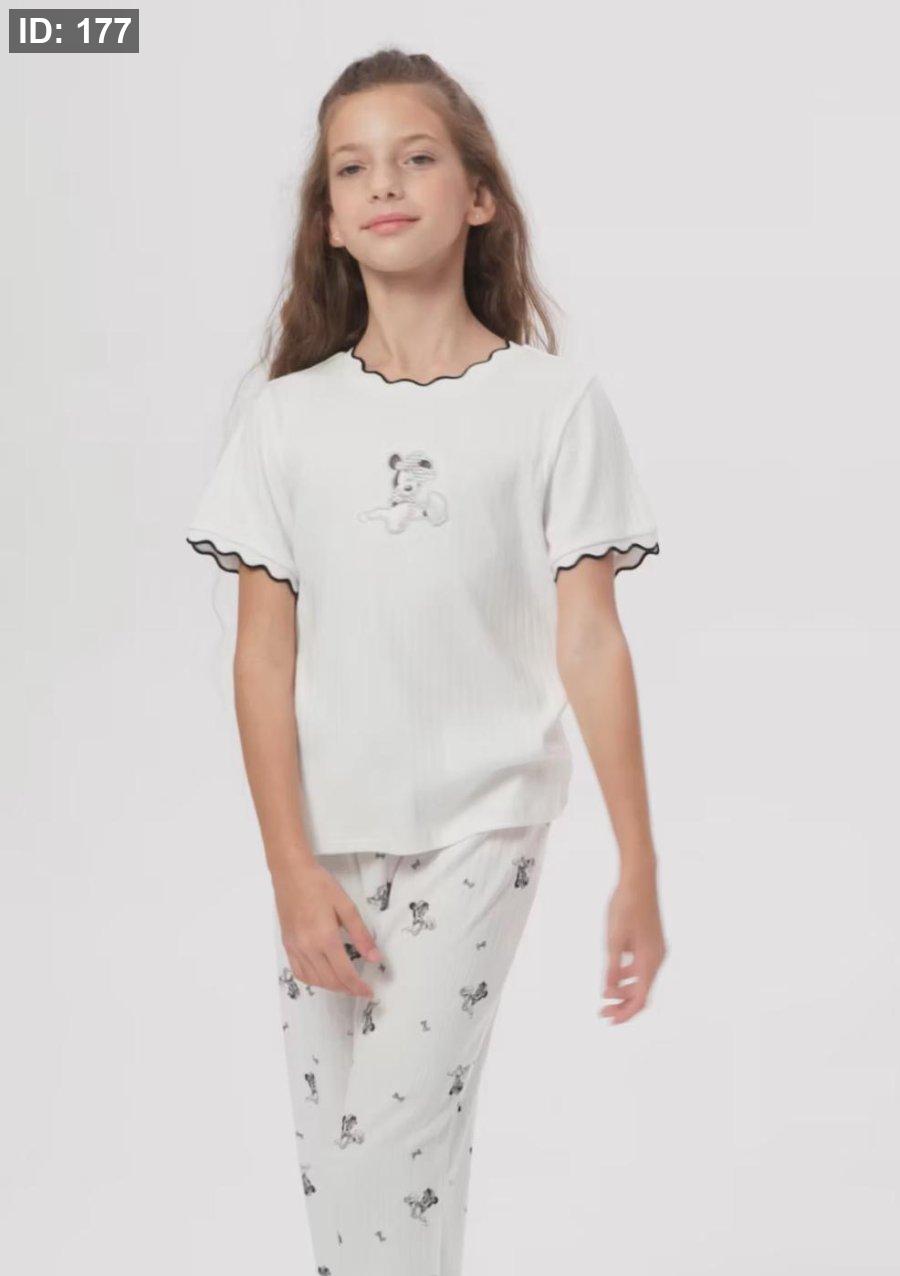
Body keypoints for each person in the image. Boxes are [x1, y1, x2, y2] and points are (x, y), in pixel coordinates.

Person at [184, 46, 667, 1276]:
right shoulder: (285, 419)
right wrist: (289, 866)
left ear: (478, 195)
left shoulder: (553, 404)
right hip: (325, 839)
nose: (384, 183)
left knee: (380, 1158)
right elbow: (259, 660)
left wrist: (638, 861)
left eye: (416, 157)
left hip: (482, 823)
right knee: (353, 1172)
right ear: (329, 220)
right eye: (353, 169)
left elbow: (591, 637)